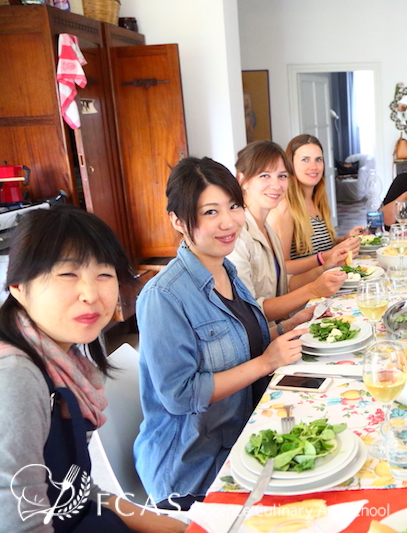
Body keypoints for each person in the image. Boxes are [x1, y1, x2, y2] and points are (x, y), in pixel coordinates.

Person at [134, 157, 307, 509]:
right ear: (178, 221)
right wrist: (265, 363)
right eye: (210, 212)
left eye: (233, 206)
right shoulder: (163, 297)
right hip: (194, 469)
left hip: (244, 434)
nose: (228, 222)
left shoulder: (225, 269)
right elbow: (180, 396)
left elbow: (243, 339)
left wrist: (294, 323)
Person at [0, 205, 185, 532]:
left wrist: (179, 528)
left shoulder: (65, 362)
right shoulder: (16, 376)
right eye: (67, 274)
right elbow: (20, 523)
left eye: (104, 274)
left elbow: (76, 494)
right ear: (19, 287)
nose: (91, 294)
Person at [228, 141, 346, 323]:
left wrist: (324, 269)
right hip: (258, 343)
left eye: (282, 176)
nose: (276, 185)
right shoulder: (236, 237)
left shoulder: (266, 230)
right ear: (242, 180)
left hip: (277, 329)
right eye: (265, 176)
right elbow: (250, 312)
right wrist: (313, 289)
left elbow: (284, 283)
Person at [267, 135, 362, 269]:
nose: (314, 166)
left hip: (329, 281)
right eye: (305, 160)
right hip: (307, 287)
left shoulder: (318, 200)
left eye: (318, 160)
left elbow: (317, 249)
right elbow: (282, 268)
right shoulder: (284, 206)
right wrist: (326, 256)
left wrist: (344, 240)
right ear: (290, 164)